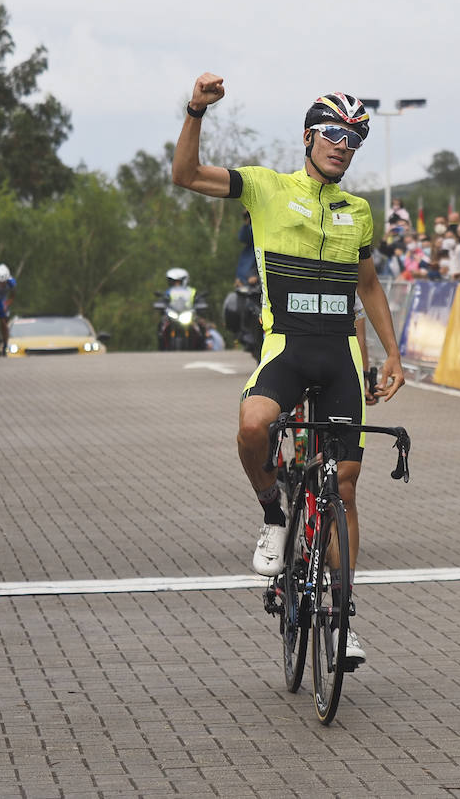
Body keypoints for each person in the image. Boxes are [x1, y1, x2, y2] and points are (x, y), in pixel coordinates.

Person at [171, 72, 406, 668]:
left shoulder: (358, 211)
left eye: (354, 136)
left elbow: (370, 286)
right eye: (332, 132)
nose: (342, 144)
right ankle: (274, 514)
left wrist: (394, 356)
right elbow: (186, 176)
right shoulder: (267, 188)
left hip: (341, 360)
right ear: (307, 138)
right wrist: (196, 110)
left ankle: (344, 619)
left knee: (344, 485)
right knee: (253, 426)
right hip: (286, 347)